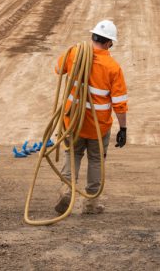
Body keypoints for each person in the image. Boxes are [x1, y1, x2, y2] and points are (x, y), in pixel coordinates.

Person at [54, 19, 129, 216]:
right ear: (109, 43)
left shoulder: (74, 54)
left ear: (92, 36)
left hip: (74, 122)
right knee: (96, 160)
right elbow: (120, 104)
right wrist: (123, 129)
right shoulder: (113, 67)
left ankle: (67, 190)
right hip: (98, 126)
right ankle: (91, 203)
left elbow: (58, 69)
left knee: (72, 154)